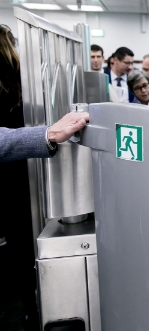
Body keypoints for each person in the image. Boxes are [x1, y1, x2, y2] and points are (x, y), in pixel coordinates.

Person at [0, 24, 88, 331]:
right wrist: (47, 134)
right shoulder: (25, 86)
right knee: (26, 249)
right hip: (24, 181)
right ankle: (32, 308)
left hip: (13, 179)